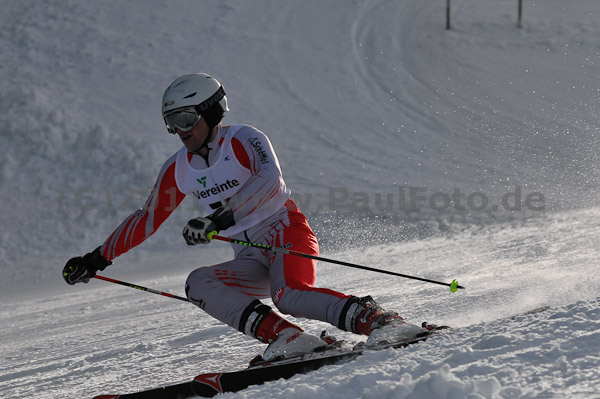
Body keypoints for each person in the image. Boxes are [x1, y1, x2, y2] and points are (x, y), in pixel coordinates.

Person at [62, 73, 427, 360]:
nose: (181, 130)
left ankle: (383, 321)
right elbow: (147, 217)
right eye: (172, 121)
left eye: (187, 117)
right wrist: (96, 259)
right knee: (198, 283)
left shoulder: (244, 140)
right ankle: (288, 337)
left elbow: (269, 182)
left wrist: (218, 220)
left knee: (289, 295)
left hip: (286, 231)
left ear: (210, 111)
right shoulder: (177, 169)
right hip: (249, 254)